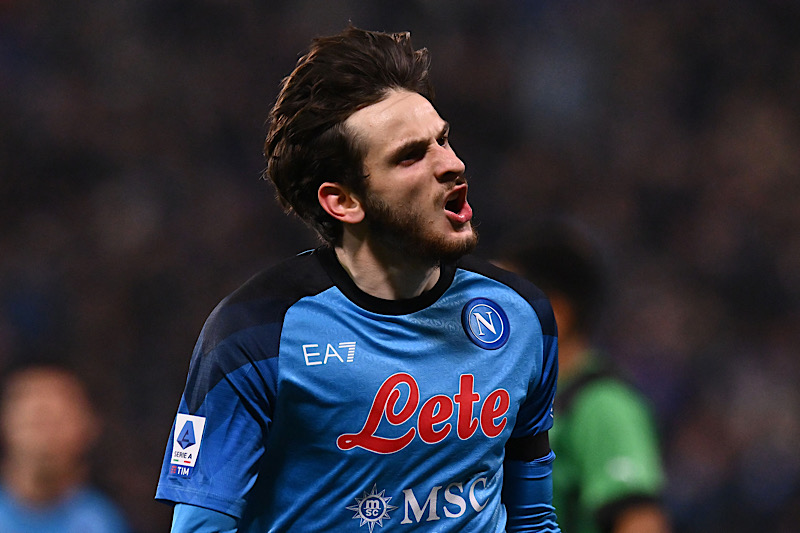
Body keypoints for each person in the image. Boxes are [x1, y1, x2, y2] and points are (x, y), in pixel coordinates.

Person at [155, 26, 561, 532]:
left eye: (443, 140)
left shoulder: (521, 317)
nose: (453, 164)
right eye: (411, 156)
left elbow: (533, 518)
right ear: (342, 200)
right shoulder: (253, 337)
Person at [497, 219, 671, 533]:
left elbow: (641, 522)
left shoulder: (602, 405)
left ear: (555, 314)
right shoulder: (515, 402)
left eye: (505, 301)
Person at [0, 363, 131, 533]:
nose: (44, 437)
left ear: (89, 427)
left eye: (56, 421)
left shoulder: (104, 522)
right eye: (34, 422)